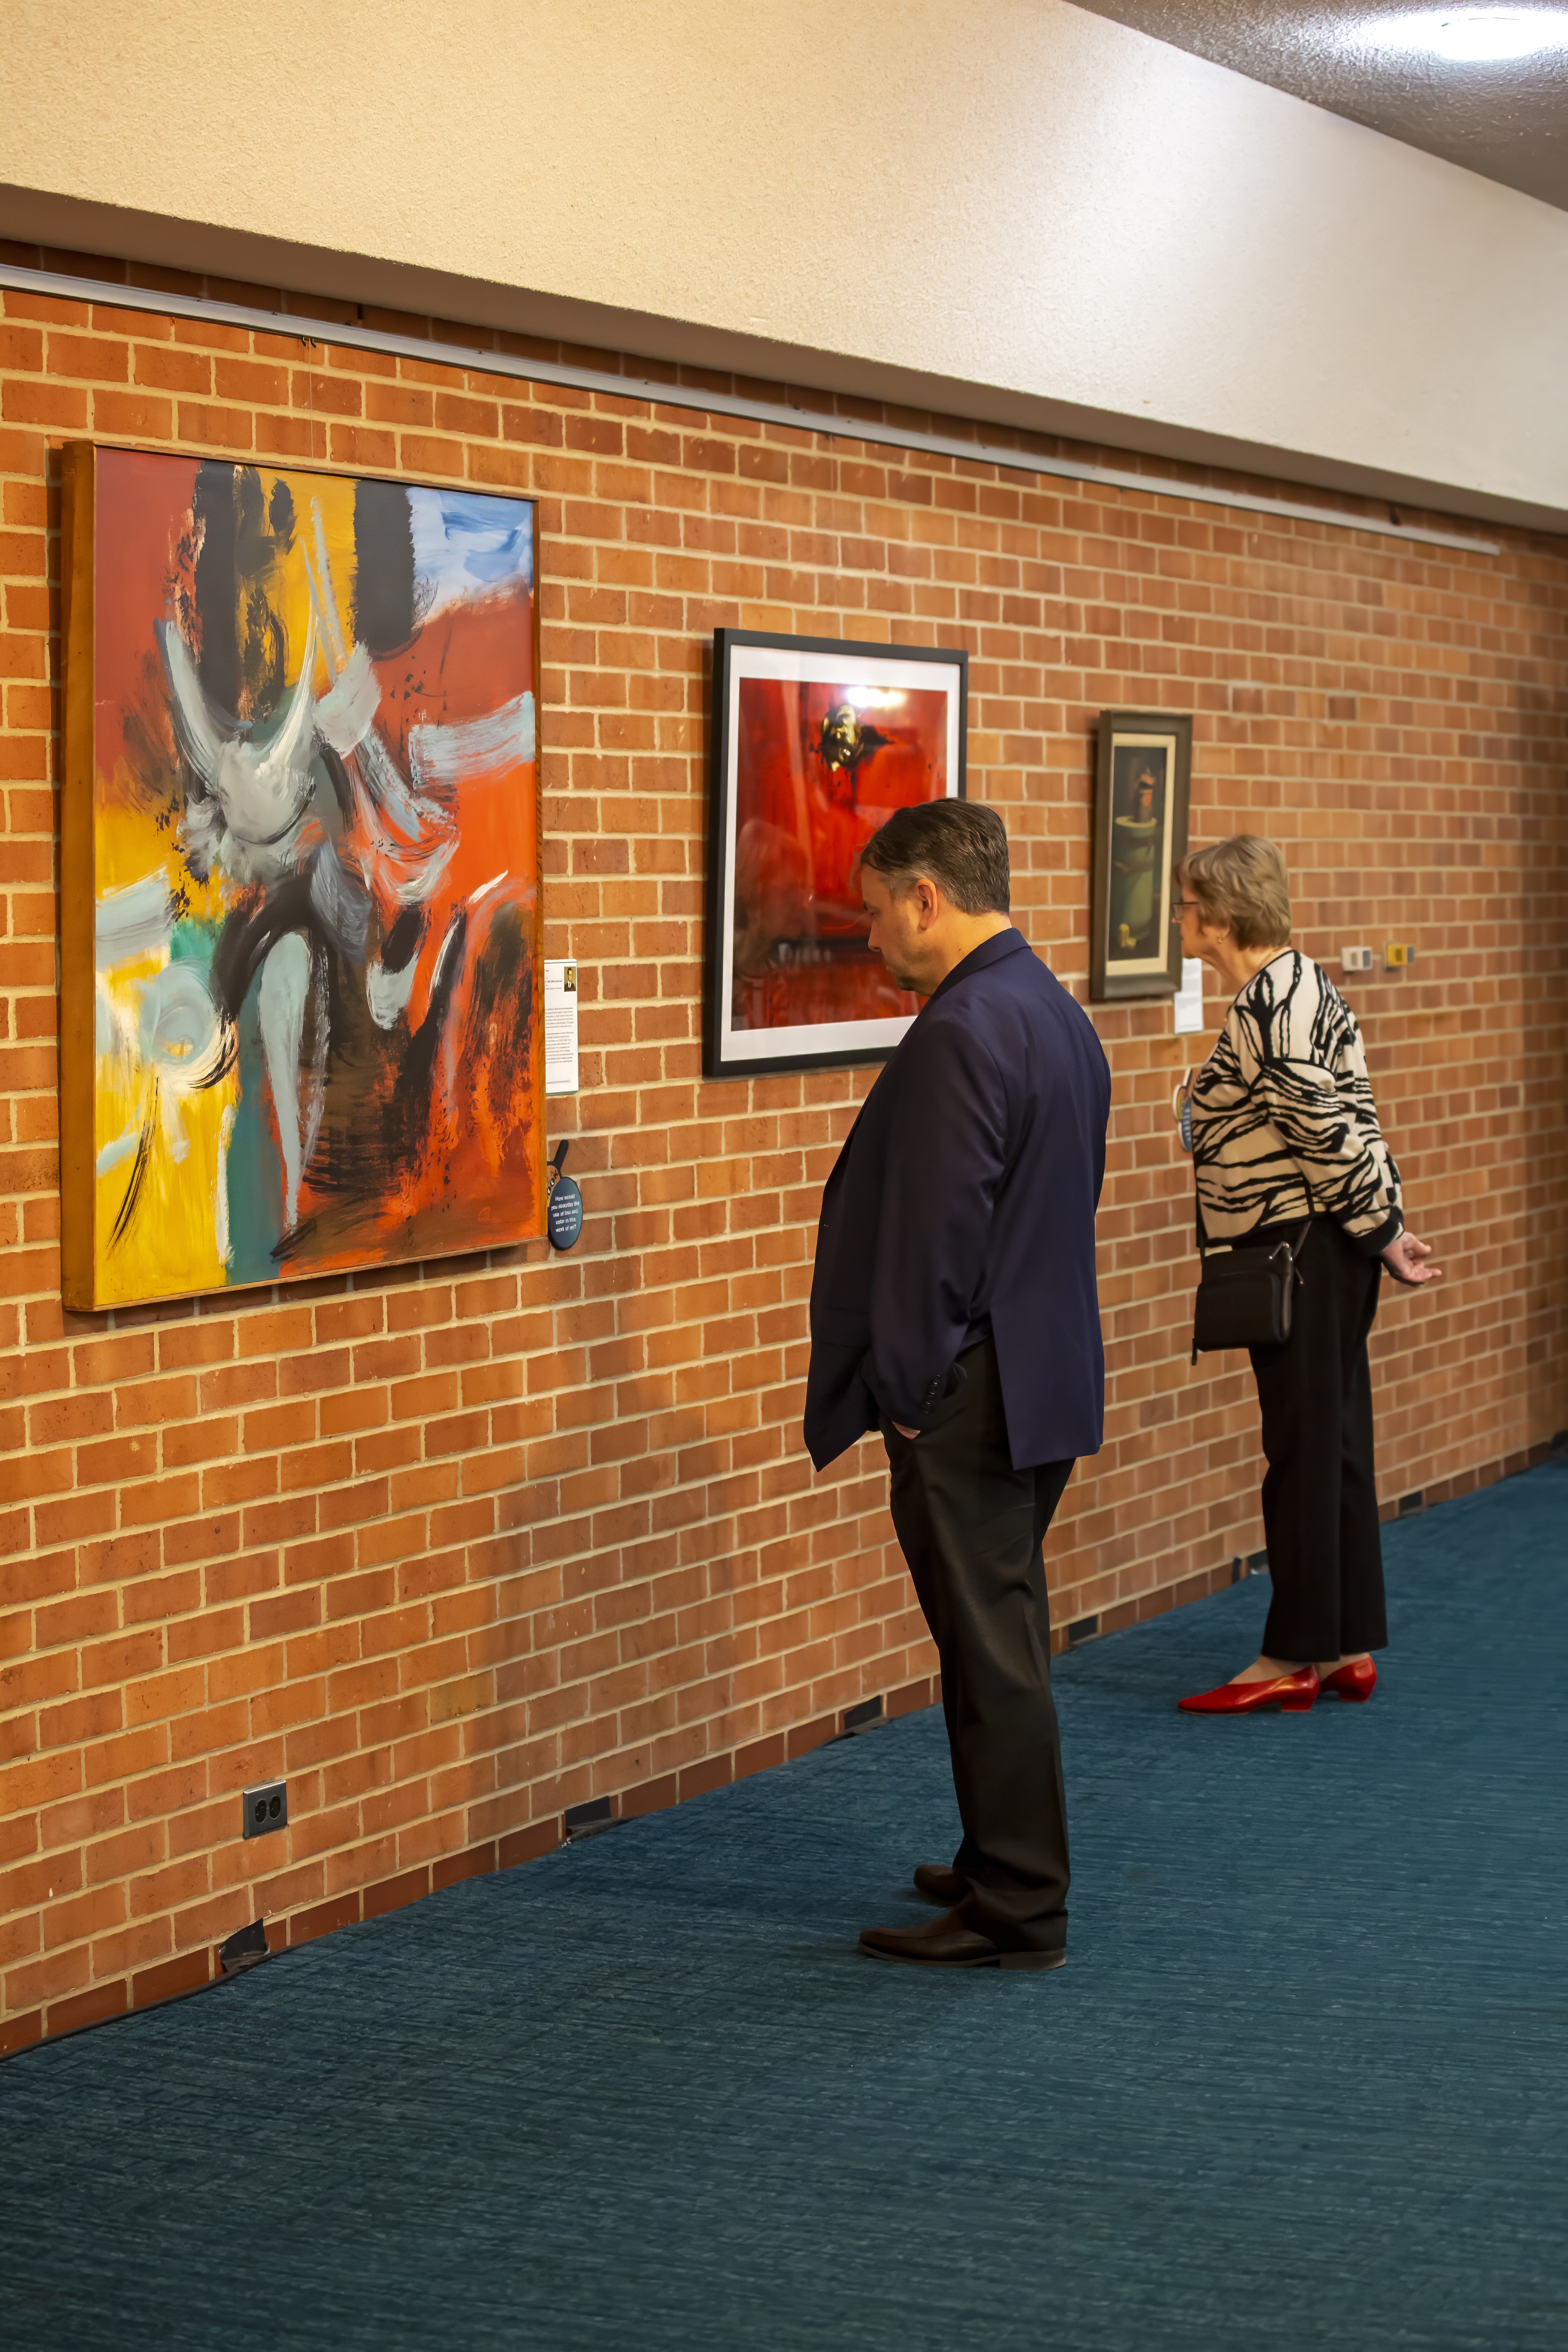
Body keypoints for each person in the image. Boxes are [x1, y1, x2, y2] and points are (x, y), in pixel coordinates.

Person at [804, 800, 1111, 1970]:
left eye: (880, 909)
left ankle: (1020, 1901)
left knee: (991, 1650)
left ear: (928, 896)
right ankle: (998, 1856)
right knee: (999, 1634)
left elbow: (938, 1234)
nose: (874, 935)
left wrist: (910, 1386)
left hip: (969, 1390)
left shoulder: (961, 1029)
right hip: (1041, 1374)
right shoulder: (1053, 1011)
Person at [1171, 835, 1442, 1716]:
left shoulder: (1272, 1002)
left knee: (1301, 1454)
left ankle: (1290, 1655)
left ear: (1219, 913)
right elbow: (1336, 1120)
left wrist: (1384, 1230)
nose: (1180, 918)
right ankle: (1343, 1645)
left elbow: (1324, 1130)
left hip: (1302, 1252)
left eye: (1187, 905)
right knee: (1331, 1446)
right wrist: (1383, 1228)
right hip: (1325, 1247)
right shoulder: (1290, 987)